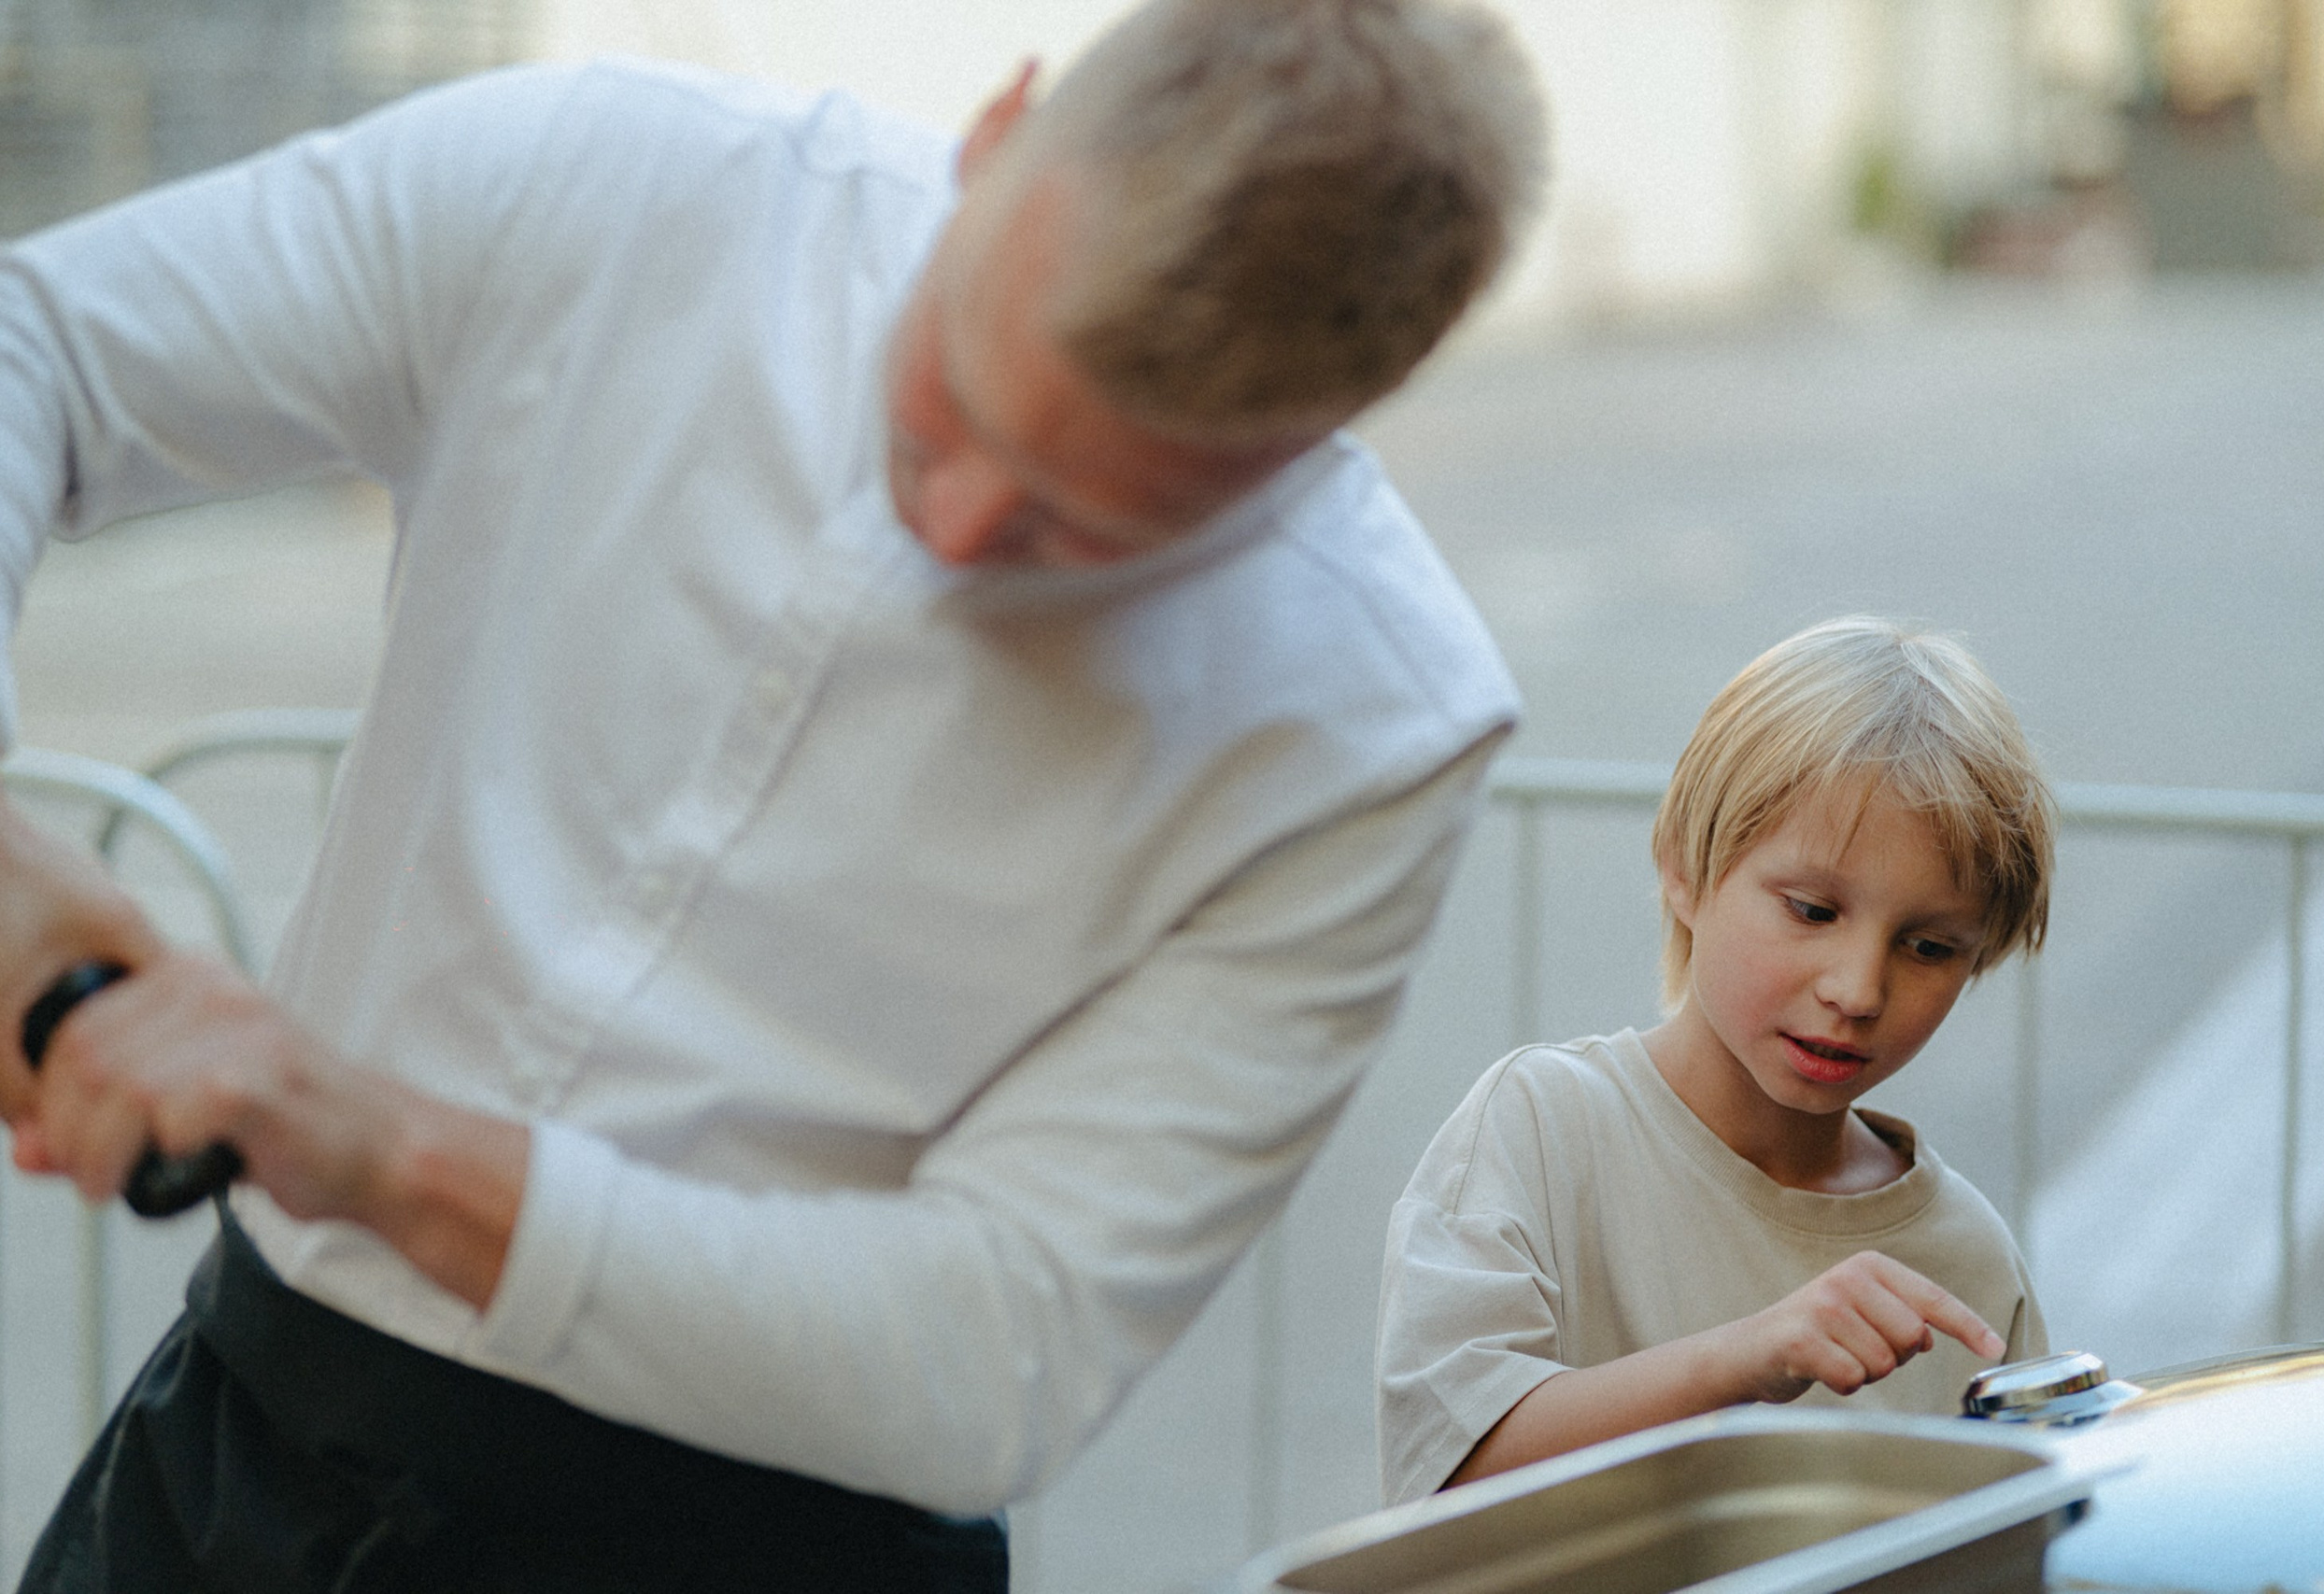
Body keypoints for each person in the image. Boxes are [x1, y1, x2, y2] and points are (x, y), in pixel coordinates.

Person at [0, 1, 1549, 1587]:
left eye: (1080, 527)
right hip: (241, 1445)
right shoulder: (626, 183)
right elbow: (34, 341)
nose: (950, 525)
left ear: (1318, 435)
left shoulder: (1370, 727)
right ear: (999, 126)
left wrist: (384, 1152)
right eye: (947, 390)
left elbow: (995, 1348)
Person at [1375, 616, 2055, 1505]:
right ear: (1684, 868)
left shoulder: (1966, 1257)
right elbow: (1448, 1474)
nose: (1858, 990)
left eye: (1928, 947)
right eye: (1813, 910)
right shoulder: (1542, 1128)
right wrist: (1747, 1358)